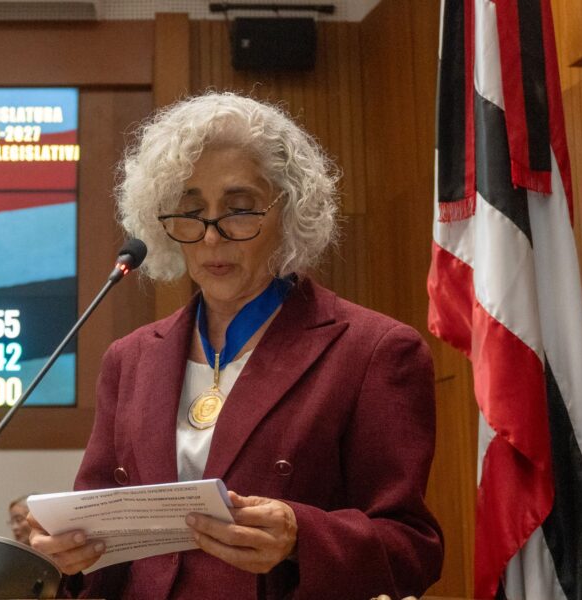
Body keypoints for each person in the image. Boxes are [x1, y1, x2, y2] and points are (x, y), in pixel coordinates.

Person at [28, 92, 443, 599]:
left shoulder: (374, 351)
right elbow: (96, 536)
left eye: (240, 209)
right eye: (191, 211)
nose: (211, 238)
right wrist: (64, 556)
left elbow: (412, 548)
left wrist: (301, 537)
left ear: (290, 211)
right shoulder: (129, 359)